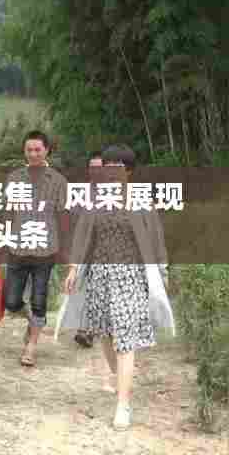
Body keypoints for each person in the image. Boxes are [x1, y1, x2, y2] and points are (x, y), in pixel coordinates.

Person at [63, 144, 175, 430]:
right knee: (105, 333)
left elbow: (156, 239)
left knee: (125, 336)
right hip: (100, 276)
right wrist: (74, 268)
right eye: (107, 167)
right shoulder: (96, 202)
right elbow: (83, 236)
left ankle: (123, 403)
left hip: (131, 277)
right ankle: (119, 377)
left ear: (129, 171)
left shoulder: (141, 202)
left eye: (117, 167)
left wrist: (163, 271)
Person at [0, 130, 68, 367]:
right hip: (17, 248)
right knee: (11, 300)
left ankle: (32, 346)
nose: (33, 154)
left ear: (47, 150)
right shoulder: (14, 178)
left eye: (38, 149)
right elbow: (7, 212)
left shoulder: (58, 181)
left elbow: (63, 217)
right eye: (29, 150)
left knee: (39, 299)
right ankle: (33, 320)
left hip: (46, 250)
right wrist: (0, 242)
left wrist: (65, 248)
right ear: (24, 152)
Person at [73, 151, 103, 349]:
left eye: (99, 167)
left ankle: (88, 330)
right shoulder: (81, 193)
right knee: (84, 288)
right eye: (92, 168)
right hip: (85, 248)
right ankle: (86, 329)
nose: (96, 171)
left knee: (97, 289)